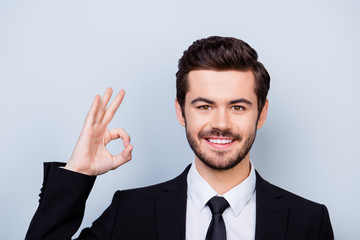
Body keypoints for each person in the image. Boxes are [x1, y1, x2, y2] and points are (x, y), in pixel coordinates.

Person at [26, 36, 334, 240]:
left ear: (262, 113)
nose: (221, 124)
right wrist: (77, 172)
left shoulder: (309, 221)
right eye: (204, 106)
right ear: (180, 111)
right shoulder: (130, 211)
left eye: (238, 107)